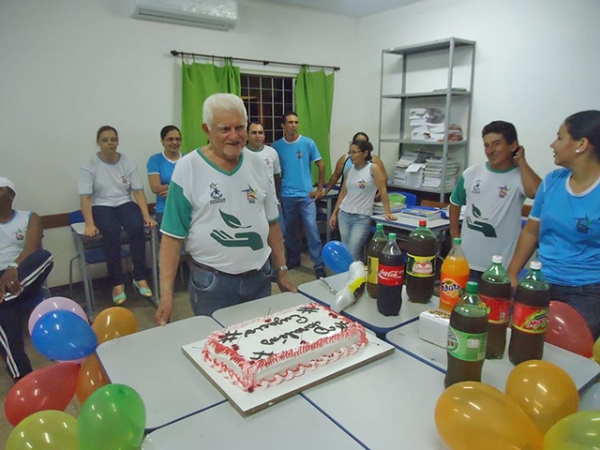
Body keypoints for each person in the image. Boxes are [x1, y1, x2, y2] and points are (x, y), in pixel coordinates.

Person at [155, 94, 295, 326]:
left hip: (260, 278)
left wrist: (281, 270)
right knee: (218, 350)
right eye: (225, 129)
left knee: (260, 342)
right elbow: (171, 237)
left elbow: (271, 223)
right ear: (206, 130)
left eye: (240, 127)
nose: (234, 136)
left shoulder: (258, 164)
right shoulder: (187, 168)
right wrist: (167, 296)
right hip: (211, 284)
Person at [508, 110, 600, 339]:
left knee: (573, 358)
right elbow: (531, 231)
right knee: (527, 341)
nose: (553, 144)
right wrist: (511, 273)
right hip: (541, 282)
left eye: (559, 137)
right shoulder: (551, 182)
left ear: (581, 144)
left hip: (587, 291)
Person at [449, 121, 541, 279]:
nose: (490, 151)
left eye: (496, 144)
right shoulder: (472, 173)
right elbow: (455, 202)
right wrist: (454, 236)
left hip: (501, 266)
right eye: (486, 145)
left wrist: (521, 161)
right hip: (467, 260)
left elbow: (537, 194)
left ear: (513, 146)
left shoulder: (520, 176)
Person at [79, 126, 157, 305]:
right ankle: (117, 282)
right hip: (101, 205)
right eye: (105, 140)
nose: (110, 143)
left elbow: (138, 191)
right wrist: (90, 224)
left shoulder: (127, 162)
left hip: (124, 202)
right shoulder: (89, 165)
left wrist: (146, 215)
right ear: (98, 142)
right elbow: (85, 197)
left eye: (113, 139)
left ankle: (140, 278)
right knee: (110, 231)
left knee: (136, 227)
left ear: (118, 141)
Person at [0, 177, 54, 382]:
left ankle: (4, 296)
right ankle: (23, 376)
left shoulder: (29, 217)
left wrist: (13, 268)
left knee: (45, 256)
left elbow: (32, 248)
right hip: (2, 281)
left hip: (24, 272)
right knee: (5, 314)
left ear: (11, 195)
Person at [272, 112, 326, 279]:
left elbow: (321, 165)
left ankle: (318, 265)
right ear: (283, 125)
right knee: (289, 231)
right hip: (287, 195)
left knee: (312, 229)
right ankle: (293, 259)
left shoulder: (308, 143)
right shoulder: (276, 146)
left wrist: (320, 189)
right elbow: (275, 173)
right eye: (290, 122)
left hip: (306, 195)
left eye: (296, 122)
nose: (293, 125)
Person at [330, 140, 396, 261]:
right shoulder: (349, 171)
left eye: (354, 152)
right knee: (345, 251)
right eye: (349, 152)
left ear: (365, 153)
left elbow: (383, 191)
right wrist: (334, 213)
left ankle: (356, 278)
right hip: (344, 215)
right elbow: (343, 193)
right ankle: (347, 277)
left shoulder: (373, 168)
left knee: (353, 252)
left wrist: (388, 212)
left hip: (361, 218)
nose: (351, 155)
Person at [244, 121, 285, 234]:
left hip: (272, 203)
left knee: (280, 236)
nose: (257, 136)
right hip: (251, 205)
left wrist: (276, 197)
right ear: (247, 135)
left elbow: (277, 177)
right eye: (254, 133)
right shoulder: (241, 154)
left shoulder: (272, 152)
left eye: (260, 133)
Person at [323, 132, 388, 197]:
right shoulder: (344, 159)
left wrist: (379, 194)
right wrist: (324, 192)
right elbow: (335, 177)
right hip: (347, 199)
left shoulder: (374, 160)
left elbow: (384, 177)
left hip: (367, 199)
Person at [147, 125, 182, 228]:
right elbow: (156, 187)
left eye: (178, 139)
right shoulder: (155, 160)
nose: (175, 142)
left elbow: (195, 187)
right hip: (165, 210)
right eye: (170, 139)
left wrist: (172, 190)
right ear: (162, 141)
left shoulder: (187, 159)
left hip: (186, 208)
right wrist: (182, 190)